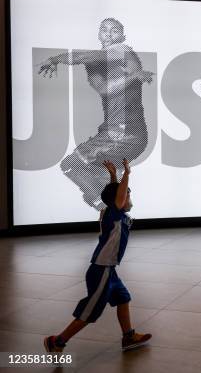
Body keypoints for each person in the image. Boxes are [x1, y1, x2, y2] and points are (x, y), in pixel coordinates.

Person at [38, 18, 153, 210]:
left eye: (114, 30)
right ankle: (115, 209)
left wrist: (55, 59)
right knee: (97, 175)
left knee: (71, 165)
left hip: (124, 133)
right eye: (104, 30)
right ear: (99, 34)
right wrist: (132, 76)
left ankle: (107, 208)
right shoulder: (95, 65)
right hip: (120, 133)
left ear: (122, 36)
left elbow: (85, 57)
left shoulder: (123, 50)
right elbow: (106, 89)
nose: (108, 34)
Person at [43, 159, 152, 352]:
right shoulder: (113, 214)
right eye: (127, 195)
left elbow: (114, 196)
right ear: (119, 199)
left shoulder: (112, 212)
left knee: (123, 298)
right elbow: (117, 198)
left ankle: (128, 337)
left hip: (109, 271)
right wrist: (126, 174)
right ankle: (57, 341)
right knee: (90, 312)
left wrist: (113, 177)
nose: (129, 198)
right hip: (101, 270)